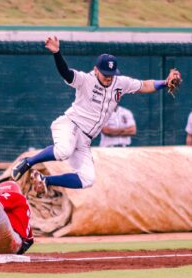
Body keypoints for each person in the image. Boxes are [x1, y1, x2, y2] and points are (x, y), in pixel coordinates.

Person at [11, 36, 181, 195]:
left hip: (85, 139)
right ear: (96, 69)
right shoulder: (86, 80)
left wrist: (165, 83)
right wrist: (56, 53)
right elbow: (66, 73)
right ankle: (28, 162)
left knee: (88, 179)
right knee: (64, 151)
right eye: (105, 74)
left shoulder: (120, 82)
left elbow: (144, 85)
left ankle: (45, 181)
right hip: (70, 125)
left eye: (111, 74)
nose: (109, 77)